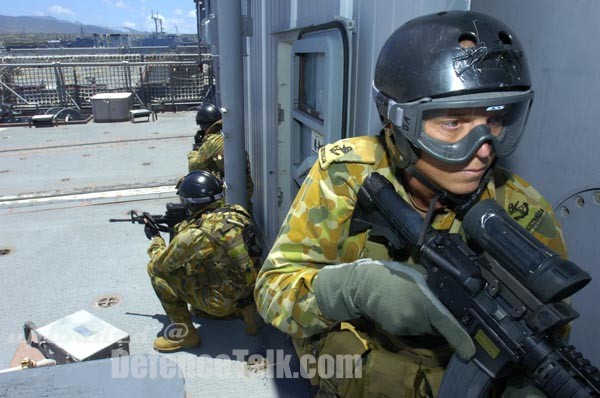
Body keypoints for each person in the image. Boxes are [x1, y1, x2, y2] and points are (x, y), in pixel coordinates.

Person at [254, 11, 569, 397]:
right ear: (397, 125)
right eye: (453, 124)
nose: (484, 149)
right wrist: (354, 289)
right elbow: (273, 291)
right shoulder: (348, 175)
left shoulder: (523, 211)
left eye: (496, 119)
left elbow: (549, 335)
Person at [146, 170, 263, 352]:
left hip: (221, 303)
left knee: (156, 275)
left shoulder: (195, 235)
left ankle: (185, 335)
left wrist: (156, 239)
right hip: (250, 292)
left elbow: (161, 264)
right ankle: (246, 312)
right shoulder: (237, 213)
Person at [187, 103, 254, 211]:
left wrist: (195, 150)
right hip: (244, 191)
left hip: (227, 197)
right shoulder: (227, 134)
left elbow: (194, 166)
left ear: (204, 126)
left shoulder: (213, 141)